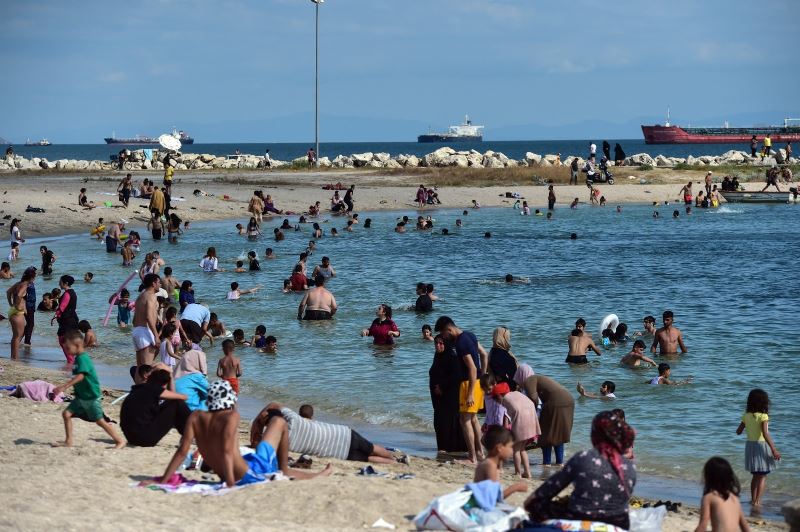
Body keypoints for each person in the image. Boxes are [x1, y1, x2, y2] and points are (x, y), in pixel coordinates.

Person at [146, 382, 333, 487]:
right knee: (280, 422)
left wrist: (164, 479)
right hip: (250, 473)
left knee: (274, 427)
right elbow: (227, 451)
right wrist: (229, 483)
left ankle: (284, 467)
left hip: (243, 466)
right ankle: (288, 469)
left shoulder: (195, 417)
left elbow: (181, 452)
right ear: (229, 401)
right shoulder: (230, 417)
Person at [524, 411, 636, 529]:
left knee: (536, 504)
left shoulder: (583, 458)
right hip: (619, 523)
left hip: (580, 517)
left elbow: (545, 492)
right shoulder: (630, 466)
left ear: (594, 434)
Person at [252, 402, 407, 465]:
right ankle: (396, 459)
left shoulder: (285, 444)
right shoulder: (294, 419)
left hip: (338, 453)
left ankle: (395, 463)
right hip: (342, 434)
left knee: (367, 458)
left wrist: (257, 438)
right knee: (371, 448)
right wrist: (257, 421)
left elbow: (262, 445)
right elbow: (274, 404)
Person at [52, 330, 125, 448]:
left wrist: (64, 386)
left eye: (68, 348)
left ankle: (119, 440)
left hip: (91, 397)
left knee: (100, 421)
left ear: (77, 345)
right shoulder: (78, 358)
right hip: (81, 396)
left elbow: (81, 376)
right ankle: (68, 441)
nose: (66, 350)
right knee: (66, 414)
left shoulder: (83, 358)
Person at [434, 316, 489, 464]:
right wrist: (483, 376)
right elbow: (484, 354)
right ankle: (480, 453)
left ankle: (472, 457)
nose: (444, 337)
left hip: (468, 384)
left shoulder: (460, 343)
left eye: (443, 334)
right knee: (473, 419)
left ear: (448, 329)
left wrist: (470, 393)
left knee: (464, 420)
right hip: (477, 382)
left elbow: (471, 368)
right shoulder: (470, 335)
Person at [515, 370, 574, 466]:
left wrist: (533, 415)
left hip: (555, 402)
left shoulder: (528, 380)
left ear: (521, 375)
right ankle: (560, 462)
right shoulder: (538, 379)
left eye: (517, 381)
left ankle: (547, 463)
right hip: (569, 399)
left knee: (545, 433)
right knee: (558, 433)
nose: (518, 384)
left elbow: (534, 399)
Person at [120, 368, 190, 447]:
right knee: (177, 402)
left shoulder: (138, 389)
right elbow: (183, 397)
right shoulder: (154, 389)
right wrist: (170, 375)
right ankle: (190, 434)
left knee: (173, 402)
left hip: (131, 438)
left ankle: (188, 433)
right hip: (144, 439)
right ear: (164, 384)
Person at [736, 388, 781, 508]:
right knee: (763, 476)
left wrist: (746, 426)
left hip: (750, 447)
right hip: (761, 446)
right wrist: (774, 449)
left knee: (755, 475)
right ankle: (757, 501)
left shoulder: (746, 416)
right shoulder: (763, 416)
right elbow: (765, 434)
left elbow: (738, 431)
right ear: (764, 402)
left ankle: (753, 500)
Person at [492, 380, 540, 478]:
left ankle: (518, 472)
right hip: (532, 418)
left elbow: (507, 416)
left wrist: (505, 431)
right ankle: (527, 472)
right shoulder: (516, 393)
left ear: (499, 395)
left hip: (522, 421)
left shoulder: (505, 399)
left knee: (516, 450)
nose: (498, 402)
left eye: (496, 399)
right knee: (522, 449)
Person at [429, 334, 468, 453]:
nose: (438, 346)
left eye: (441, 343)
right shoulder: (438, 356)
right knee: (439, 422)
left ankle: (452, 448)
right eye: (436, 343)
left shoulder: (452, 357)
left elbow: (456, 376)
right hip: (439, 398)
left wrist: (442, 386)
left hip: (449, 396)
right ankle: (443, 447)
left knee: (448, 422)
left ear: (446, 344)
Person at [694, 456, 749, 532]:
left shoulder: (709, 497)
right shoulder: (735, 498)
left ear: (709, 477)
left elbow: (703, 526)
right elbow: (744, 525)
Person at [474, 426, 528, 499]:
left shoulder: (489, 463)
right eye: (510, 447)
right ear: (499, 448)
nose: (512, 451)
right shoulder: (490, 466)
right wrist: (515, 488)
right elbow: (494, 497)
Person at [132, 274, 161, 366]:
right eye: (159, 282)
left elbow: (134, 320)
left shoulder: (141, 296)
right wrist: (156, 336)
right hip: (144, 331)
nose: (160, 284)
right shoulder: (151, 296)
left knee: (140, 367)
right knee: (147, 367)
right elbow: (149, 317)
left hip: (137, 331)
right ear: (153, 283)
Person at [51, 275, 80, 364]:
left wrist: (55, 316)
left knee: (63, 340)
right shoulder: (73, 292)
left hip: (67, 320)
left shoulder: (67, 294)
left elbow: (62, 307)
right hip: (73, 319)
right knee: (69, 341)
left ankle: (71, 360)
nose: (59, 283)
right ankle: (74, 360)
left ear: (66, 283)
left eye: (60, 282)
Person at [6, 268, 33, 360]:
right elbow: (19, 295)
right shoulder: (25, 285)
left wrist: (11, 304)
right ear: (31, 277)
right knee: (18, 336)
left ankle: (13, 356)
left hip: (13, 311)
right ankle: (16, 357)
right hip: (18, 312)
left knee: (15, 336)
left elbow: (8, 292)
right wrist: (18, 307)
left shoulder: (18, 283)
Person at [174, 347, 209, 411]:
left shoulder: (174, 376)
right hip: (190, 411)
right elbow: (211, 393)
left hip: (175, 411)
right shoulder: (196, 377)